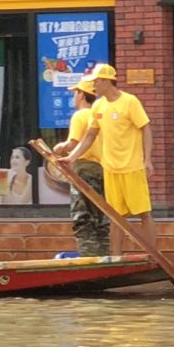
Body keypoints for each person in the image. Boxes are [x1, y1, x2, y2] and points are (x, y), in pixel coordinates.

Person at [62, 63, 155, 258]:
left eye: (96, 81)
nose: (94, 85)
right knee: (116, 216)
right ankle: (116, 256)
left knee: (143, 213)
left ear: (106, 81)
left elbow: (145, 128)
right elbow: (90, 136)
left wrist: (147, 160)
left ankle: (152, 254)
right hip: (110, 168)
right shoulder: (98, 105)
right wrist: (71, 157)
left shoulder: (130, 102)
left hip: (132, 167)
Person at [53, 78, 110, 256]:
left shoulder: (81, 115)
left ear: (81, 94)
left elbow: (73, 143)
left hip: (85, 168)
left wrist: (60, 147)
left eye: (75, 93)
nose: (73, 97)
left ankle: (89, 257)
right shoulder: (101, 114)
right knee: (101, 218)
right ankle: (103, 256)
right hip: (103, 169)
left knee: (83, 217)